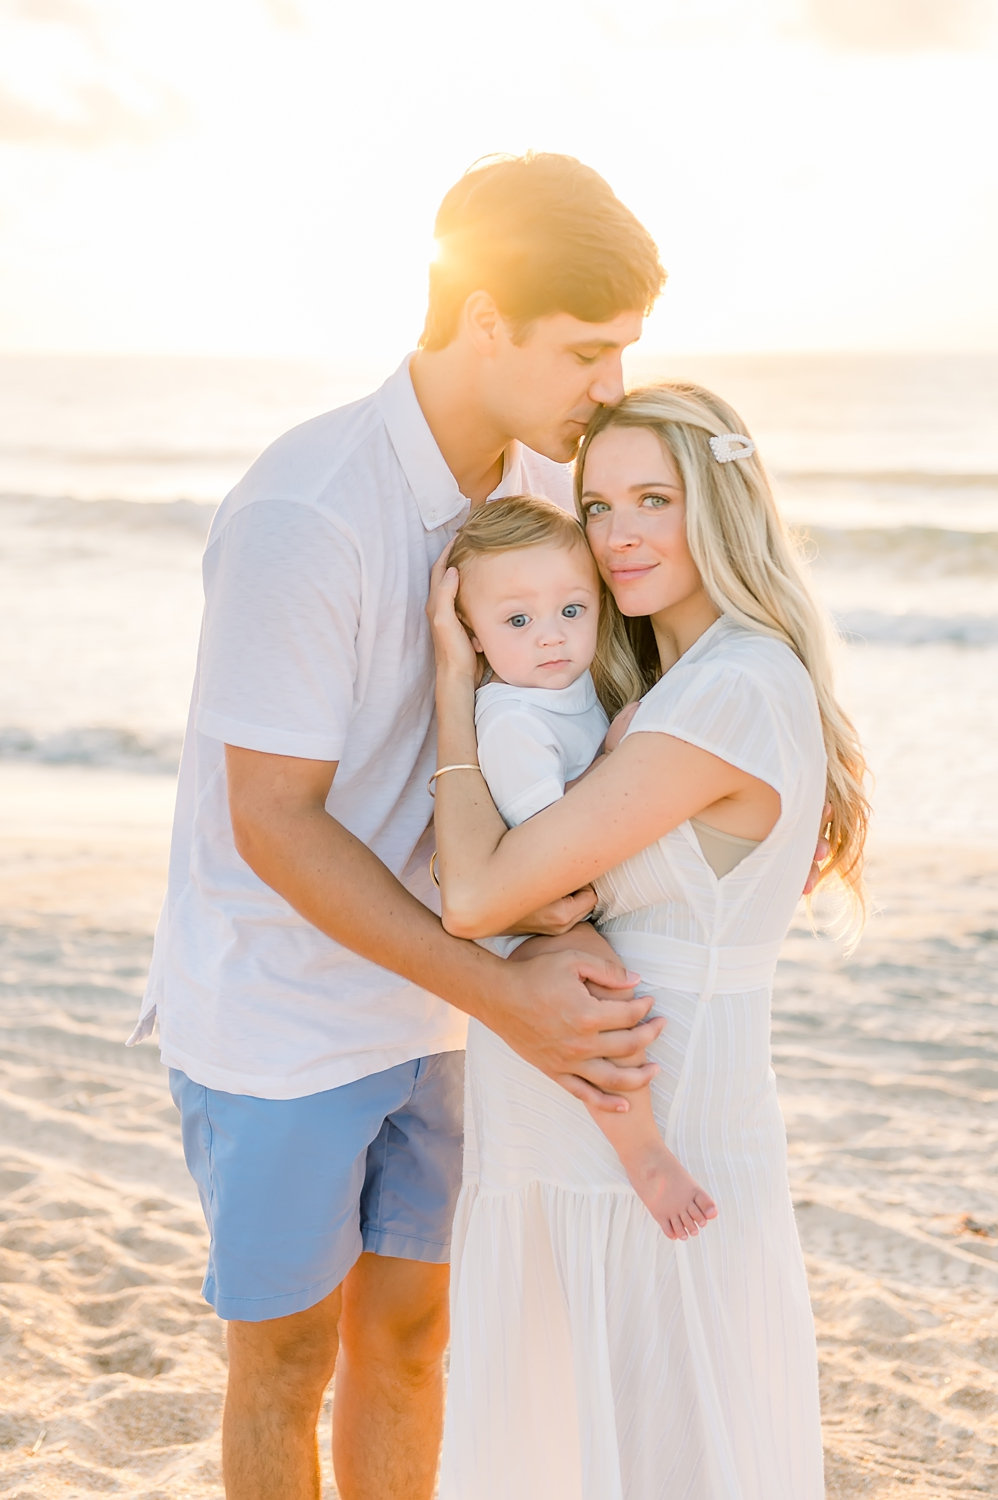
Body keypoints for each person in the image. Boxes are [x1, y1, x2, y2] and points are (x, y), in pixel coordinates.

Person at [127, 152, 668, 1500]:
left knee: (418, 1341)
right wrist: (506, 993)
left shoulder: (550, 494)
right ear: (480, 316)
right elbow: (275, 823)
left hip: (436, 1009)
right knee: (286, 1360)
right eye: (584, 350)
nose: (610, 388)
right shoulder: (310, 511)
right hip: (284, 1014)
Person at [428, 382, 869, 1499]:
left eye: (652, 500)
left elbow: (475, 896)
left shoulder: (720, 694)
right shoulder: (664, 685)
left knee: (659, 1451)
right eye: (598, 504)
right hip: (583, 1126)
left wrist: (450, 677)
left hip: (649, 1137)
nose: (617, 535)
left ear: (719, 506)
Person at [447, 492, 718, 1238]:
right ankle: (645, 1155)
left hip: (570, 887)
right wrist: (611, 754)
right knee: (602, 1008)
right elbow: (546, 847)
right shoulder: (511, 719)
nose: (551, 638)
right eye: (517, 621)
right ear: (472, 635)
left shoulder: (574, 689)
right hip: (533, 919)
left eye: (572, 610)